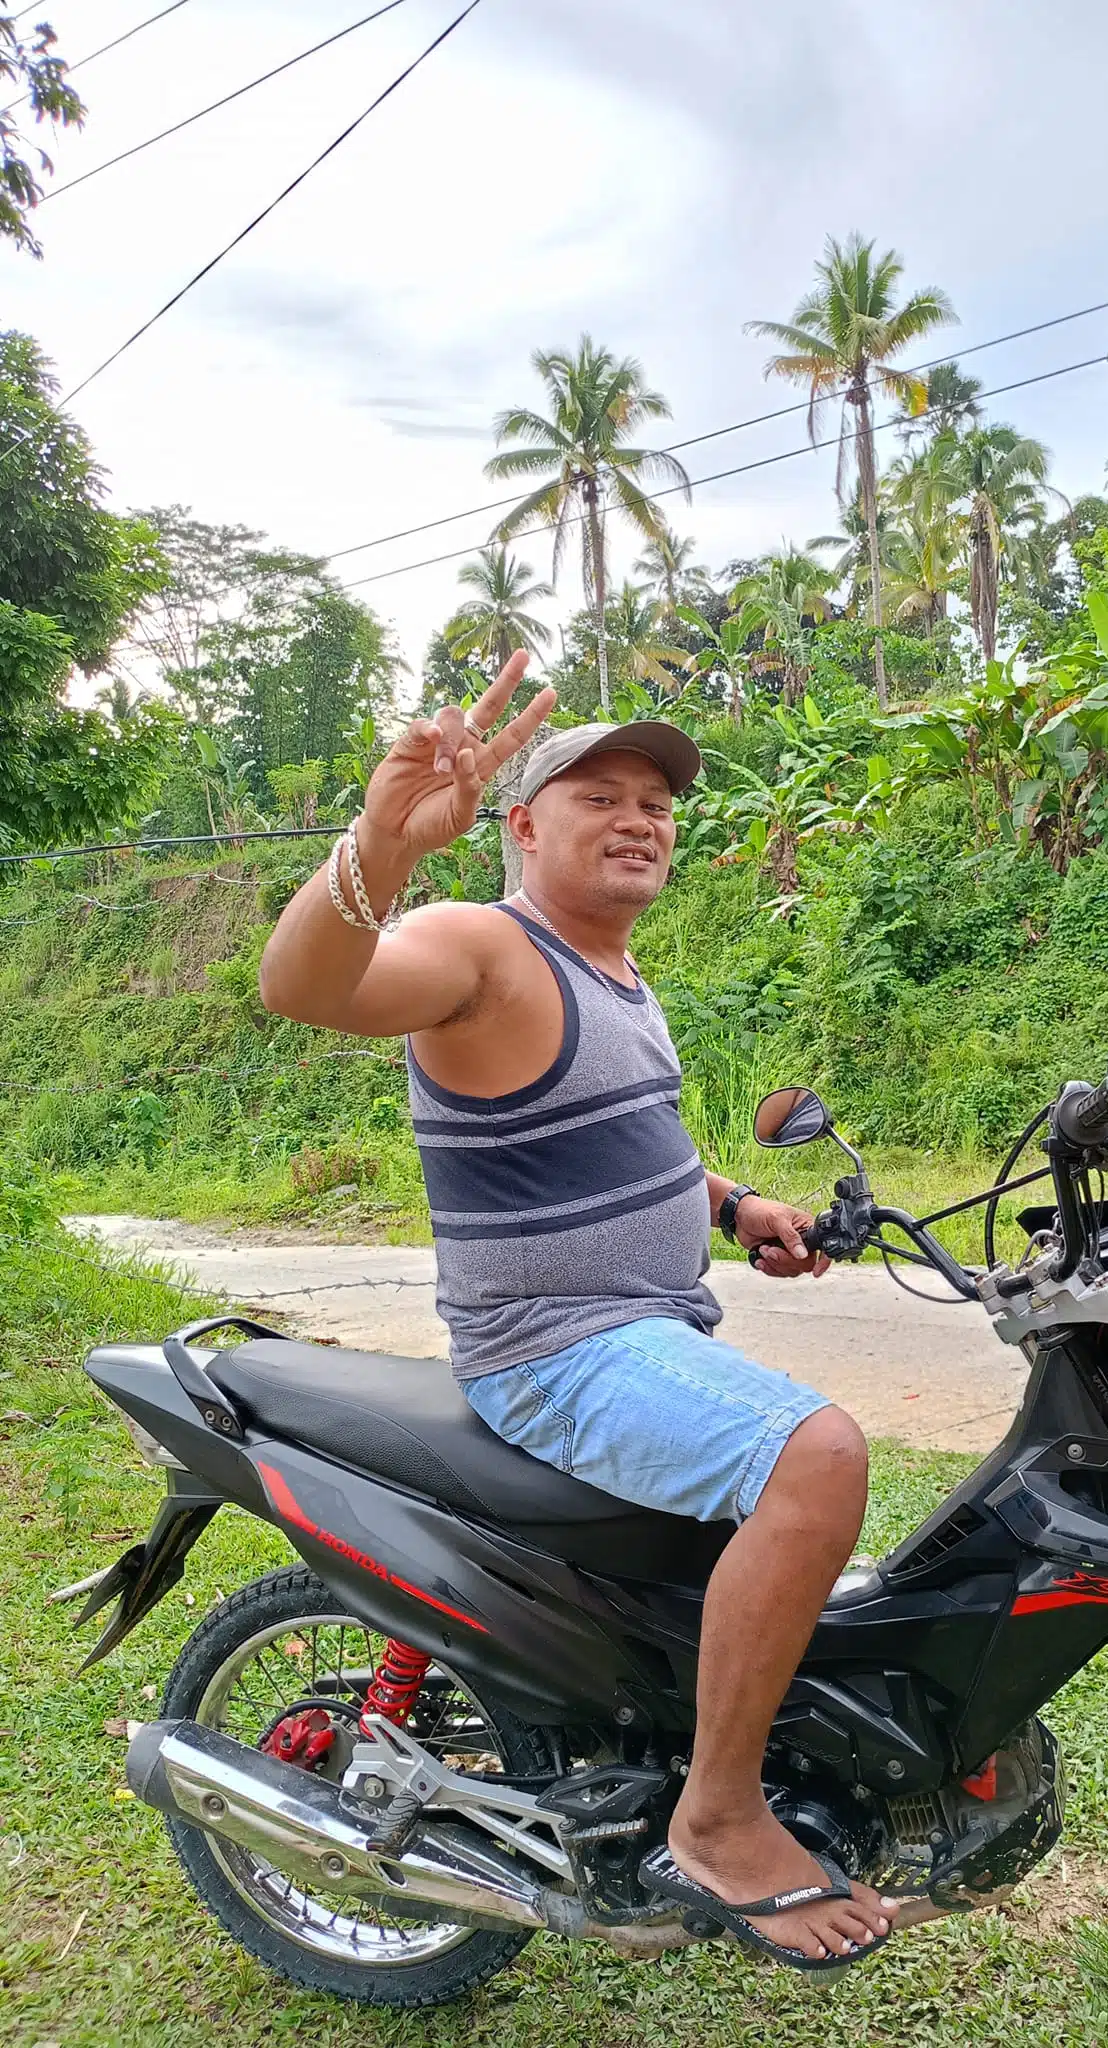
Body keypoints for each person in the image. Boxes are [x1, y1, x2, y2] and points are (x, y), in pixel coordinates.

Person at [258, 652, 895, 1970]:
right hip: (554, 1352)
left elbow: (618, 1139)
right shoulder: (483, 945)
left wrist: (732, 1207)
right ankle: (718, 1821)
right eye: (596, 794)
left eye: (656, 802)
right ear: (521, 826)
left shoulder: (616, 978)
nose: (639, 817)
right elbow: (307, 990)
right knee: (816, 1456)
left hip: (645, 1330)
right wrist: (379, 840)